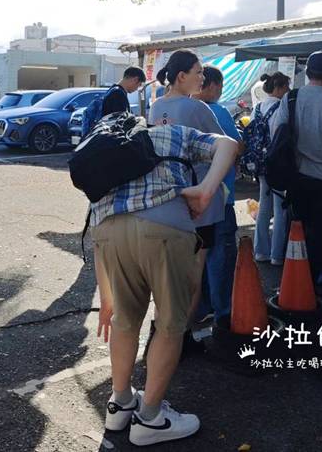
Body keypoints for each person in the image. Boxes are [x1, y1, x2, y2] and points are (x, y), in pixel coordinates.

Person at [91, 122, 238, 446]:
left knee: (125, 321)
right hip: (163, 228)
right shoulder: (176, 133)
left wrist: (106, 295)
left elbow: (98, 222)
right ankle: (151, 419)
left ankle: (120, 403)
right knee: (171, 324)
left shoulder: (108, 147)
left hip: (108, 234)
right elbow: (228, 145)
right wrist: (207, 189)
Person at [148, 51, 226, 343]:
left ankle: (161, 328)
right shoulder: (198, 109)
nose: (203, 78)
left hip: (168, 197)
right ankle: (181, 337)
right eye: (199, 72)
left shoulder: (156, 107)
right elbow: (226, 147)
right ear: (182, 76)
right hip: (199, 198)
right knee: (194, 273)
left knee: (168, 273)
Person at [269, 51, 322, 289]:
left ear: (307, 73)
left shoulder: (291, 98)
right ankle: (315, 279)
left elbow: (278, 134)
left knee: (296, 227)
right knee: (320, 231)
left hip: (297, 176)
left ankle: (292, 280)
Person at [193, 66, 242, 322]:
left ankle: (199, 311)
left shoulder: (180, 108)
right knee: (220, 258)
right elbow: (235, 147)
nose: (220, 92)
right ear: (209, 85)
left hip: (190, 200)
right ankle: (223, 314)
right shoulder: (218, 112)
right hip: (220, 197)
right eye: (220, 87)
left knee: (196, 256)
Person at [251, 72, 291, 265]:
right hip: (278, 163)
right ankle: (277, 255)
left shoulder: (257, 107)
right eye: (286, 87)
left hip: (260, 163)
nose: (288, 91)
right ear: (279, 87)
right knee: (280, 208)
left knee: (264, 206)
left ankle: (260, 251)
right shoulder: (281, 107)